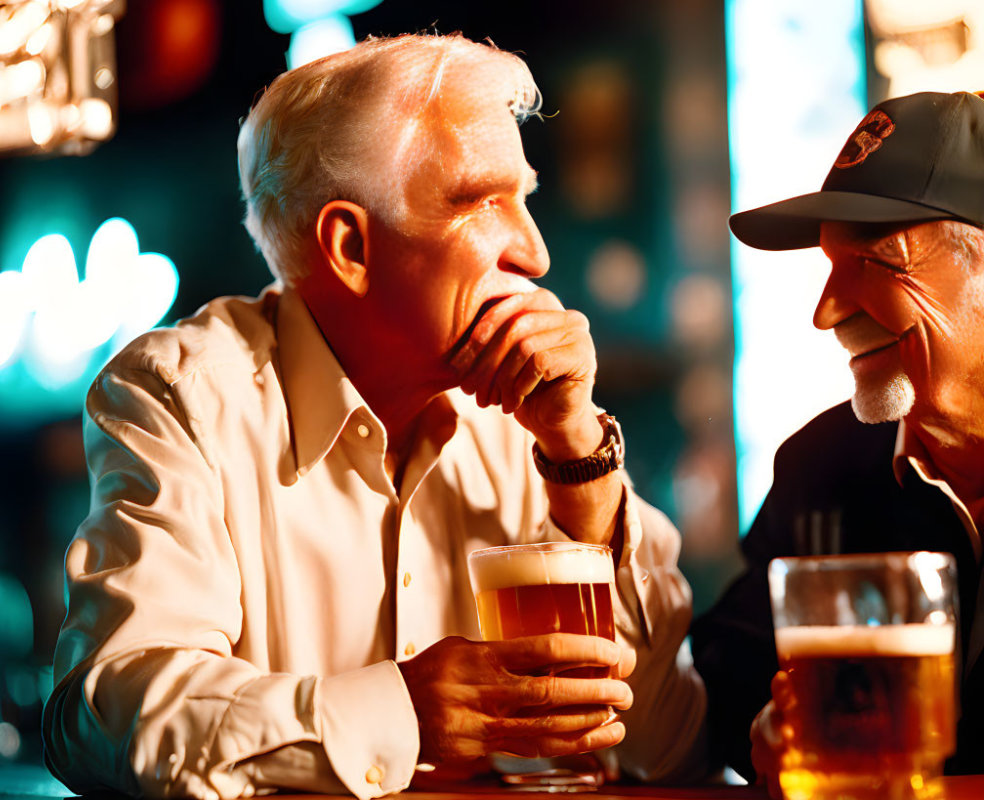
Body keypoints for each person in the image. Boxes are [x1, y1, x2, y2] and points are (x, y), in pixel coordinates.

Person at [41, 33, 706, 799]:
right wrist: (403, 711)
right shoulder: (184, 395)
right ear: (351, 246)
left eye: (524, 199)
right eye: (481, 201)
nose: (535, 251)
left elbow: (667, 742)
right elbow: (102, 716)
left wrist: (578, 452)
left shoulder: (525, 418)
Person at [691, 89, 984, 795]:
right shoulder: (823, 463)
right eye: (829, 264)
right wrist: (768, 731)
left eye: (876, 261)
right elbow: (727, 666)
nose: (825, 313)